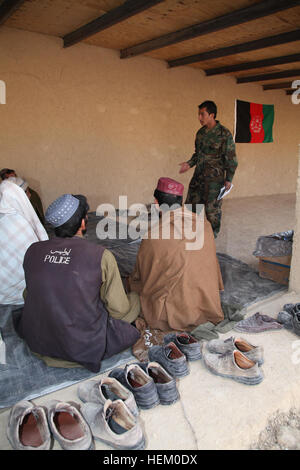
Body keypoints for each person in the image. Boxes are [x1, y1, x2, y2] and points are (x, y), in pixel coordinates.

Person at [16, 194, 140, 372]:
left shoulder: (33, 250)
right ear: (83, 223)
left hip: (39, 342)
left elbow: (28, 295)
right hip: (82, 347)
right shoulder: (100, 255)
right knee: (134, 299)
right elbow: (118, 310)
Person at [128, 177, 224, 332]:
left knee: (130, 291)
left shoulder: (155, 235)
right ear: (181, 201)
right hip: (207, 305)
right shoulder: (204, 225)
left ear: (156, 203)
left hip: (172, 313)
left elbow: (144, 277)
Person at [179, 101, 238, 238]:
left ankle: (211, 240)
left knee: (212, 212)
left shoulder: (224, 134)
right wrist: (189, 164)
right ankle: (190, 237)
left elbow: (232, 159)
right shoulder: (200, 133)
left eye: (202, 114)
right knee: (191, 209)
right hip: (198, 178)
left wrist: (228, 179)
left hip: (214, 182)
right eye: (199, 114)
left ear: (212, 115)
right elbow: (197, 154)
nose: (199, 118)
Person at [0, 179, 48, 305]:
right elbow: (38, 259)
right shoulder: (19, 223)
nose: (30, 195)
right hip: (21, 294)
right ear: (19, 196)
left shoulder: (5, 219)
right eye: (26, 192)